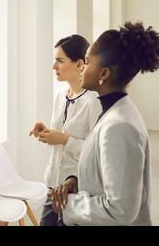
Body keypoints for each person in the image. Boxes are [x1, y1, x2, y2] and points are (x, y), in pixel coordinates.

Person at [51, 22, 159, 226]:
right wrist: (76, 181)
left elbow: (120, 210)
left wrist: (70, 205)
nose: (81, 67)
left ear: (104, 74)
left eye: (88, 61)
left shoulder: (120, 126)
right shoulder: (113, 112)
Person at [29, 35, 101, 226]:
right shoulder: (61, 96)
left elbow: (97, 153)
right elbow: (60, 135)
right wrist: (47, 132)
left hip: (76, 191)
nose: (54, 66)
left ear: (79, 64)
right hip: (53, 185)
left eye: (59, 61)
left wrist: (63, 139)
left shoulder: (94, 102)